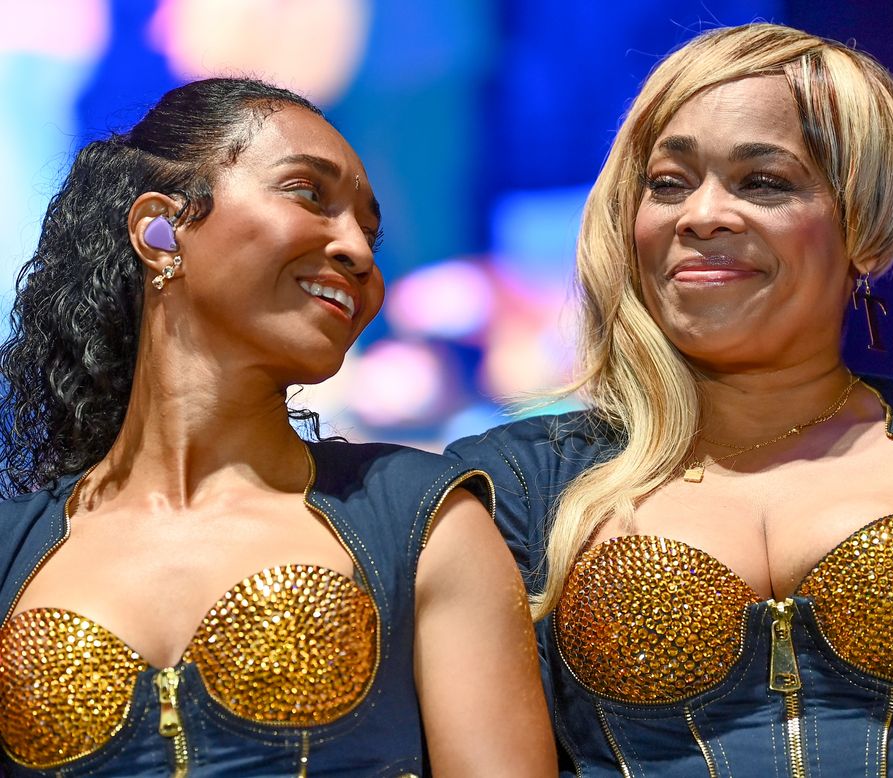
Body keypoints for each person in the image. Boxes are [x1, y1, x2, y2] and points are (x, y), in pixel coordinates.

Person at [446, 23, 893, 776]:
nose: (701, 214)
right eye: (668, 183)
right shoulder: (517, 483)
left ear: (868, 227)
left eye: (764, 182)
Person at [0, 78, 556, 777]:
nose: (358, 252)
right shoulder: (12, 551)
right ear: (161, 231)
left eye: (370, 233)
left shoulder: (422, 523)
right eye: (308, 194)